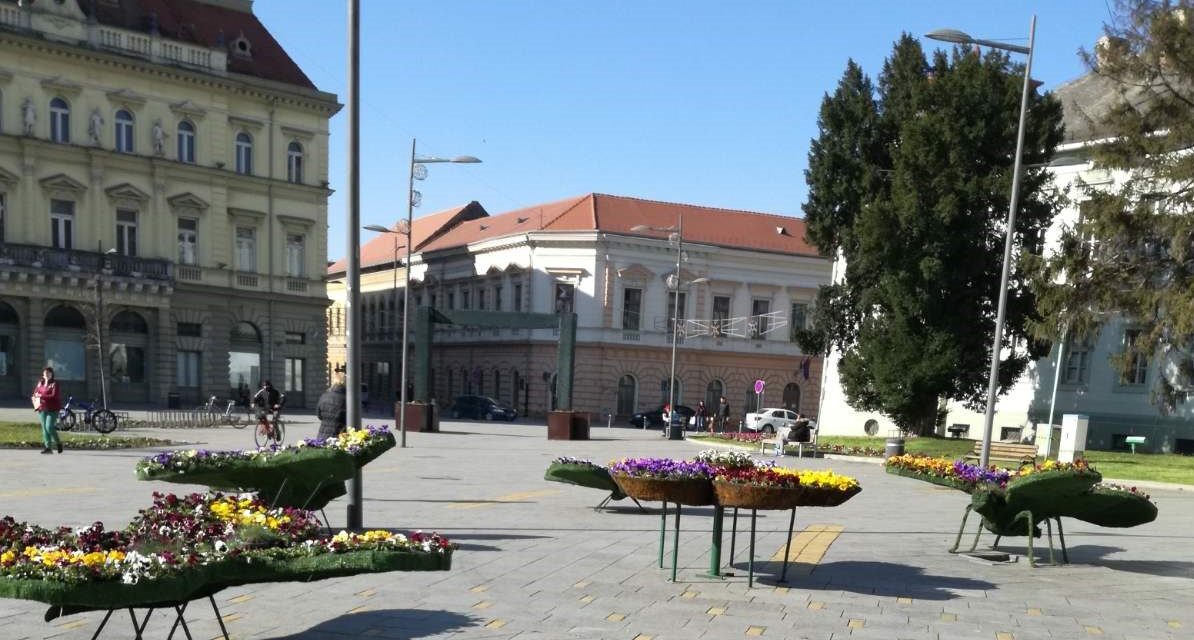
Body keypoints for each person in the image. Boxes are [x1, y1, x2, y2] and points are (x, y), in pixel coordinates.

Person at [32, 367, 63, 454]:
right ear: (43, 374)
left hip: (53, 409)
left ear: (52, 374)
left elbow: (54, 396)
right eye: (45, 373)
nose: (47, 374)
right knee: (44, 429)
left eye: (49, 373)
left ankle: (58, 443)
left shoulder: (55, 384)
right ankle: (48, 448)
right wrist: (35, 397)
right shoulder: (40, 383)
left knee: (49, 427)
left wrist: (41, 396)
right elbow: (35, 393)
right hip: (42, 408)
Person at [315, 373, 347, 440]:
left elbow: (319, 415)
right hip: (339, 435)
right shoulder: (346, 399)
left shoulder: (324, 396)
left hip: (322, 435)